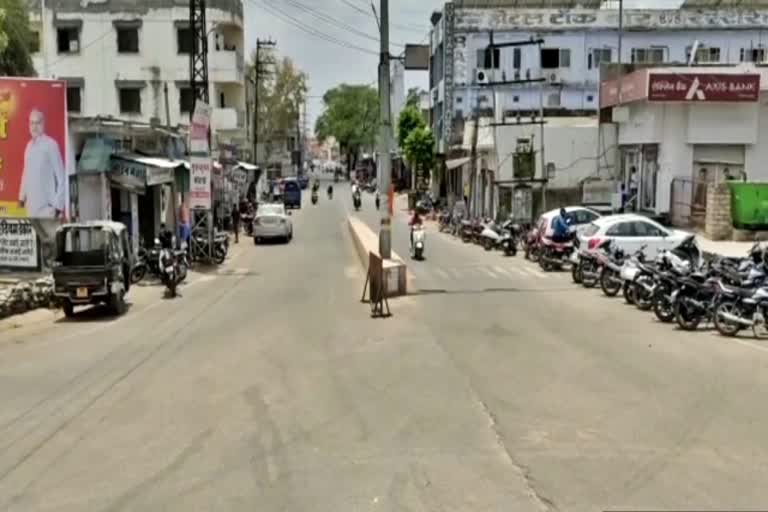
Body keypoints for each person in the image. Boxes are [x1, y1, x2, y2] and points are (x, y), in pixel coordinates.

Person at [18, 109, 66, 219]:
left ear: (43, 124)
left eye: (37, 123)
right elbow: (25, 174)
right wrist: (21, 198)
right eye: (32, 123)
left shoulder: (51, 145)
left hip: (47, 209)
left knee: (48, 236)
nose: (34, 127)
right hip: (31, 208)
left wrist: (58, 207)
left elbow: (61, 177)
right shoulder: (28, 147)